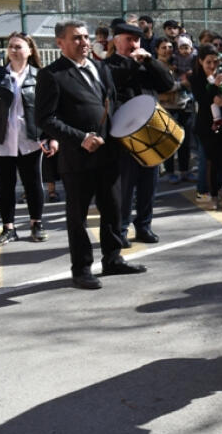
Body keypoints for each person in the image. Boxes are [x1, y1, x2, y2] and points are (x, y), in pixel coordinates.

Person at [35, 20, 146, 290]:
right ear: (60, 43)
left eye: (85, 37)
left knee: (112, 209)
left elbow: (111, 101)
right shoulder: (52, 74)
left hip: (109, 153)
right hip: (77, 158)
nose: (84, 42)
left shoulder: (100, 67)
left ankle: (113, 258)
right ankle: (81, 268)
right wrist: (81, 138)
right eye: (76, 38)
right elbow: (45, 119)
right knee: (78, 217)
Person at [0, 32, 56, 245]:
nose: (13, 50)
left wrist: (51, 137)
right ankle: (8, 228)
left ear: (30, 50)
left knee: (33, 183)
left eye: (18, 46)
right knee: (5, 185)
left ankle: (36, 224)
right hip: (0, 137)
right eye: (11, 46)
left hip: (30, 138)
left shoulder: (40, 76)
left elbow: (50, 110)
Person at [106, 23, 175, 246]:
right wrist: (132, 63)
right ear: (116, 41)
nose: (134, 44)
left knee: (149, 182)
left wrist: (151, 62)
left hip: (150, 128)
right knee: (125, 184)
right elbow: (114, 83)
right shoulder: (109, 65)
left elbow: (167, 83)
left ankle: (144, 226)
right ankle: (122, 229)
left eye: (137, 40)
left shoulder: (146, 64)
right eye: (128, 39)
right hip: (124, 132)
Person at [190, 44, 222, 211]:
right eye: (208, 62)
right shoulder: (195, 78)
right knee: (211, 161)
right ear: (200, 61)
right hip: (208, 126)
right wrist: (214, 88)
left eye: (215, 62)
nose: (212, 66)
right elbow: (203, 99)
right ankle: (212, 196)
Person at [156, 37, 193, 184]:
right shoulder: (156, 66)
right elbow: (162, 87)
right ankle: (170, 171)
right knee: (169, 141)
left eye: (170, 47)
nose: (167, 50)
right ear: (157, 50)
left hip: (184, 106)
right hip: (167, 108)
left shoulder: (179, 62)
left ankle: (185, 170)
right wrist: (181, 85)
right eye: (163, 47)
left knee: (186, 140)